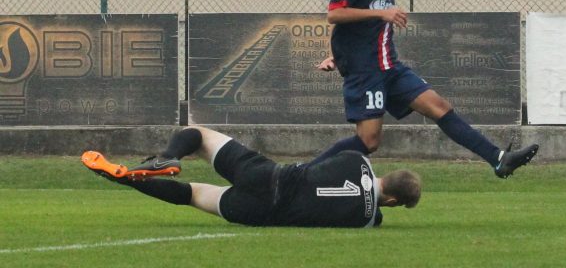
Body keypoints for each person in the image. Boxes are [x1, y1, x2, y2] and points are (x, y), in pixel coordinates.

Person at [316, 0, 538, 178]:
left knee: (439, 106)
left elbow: (360, 30)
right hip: (367, 72)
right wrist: (381, 15)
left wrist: (337, 51)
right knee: (368, 141)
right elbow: (335, 14)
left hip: (390, 67)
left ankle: (499, 159)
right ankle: (302, 174)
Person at [82, 126, 421, 228]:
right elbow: (373, 215)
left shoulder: (356, 158)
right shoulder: (366, 221)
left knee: (198, 135)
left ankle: (169, 156)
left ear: (387, 175)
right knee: (191, 195)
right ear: (391, 201)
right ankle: (124, 177)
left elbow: (319, 165)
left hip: (268, 176)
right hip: (259, 213)